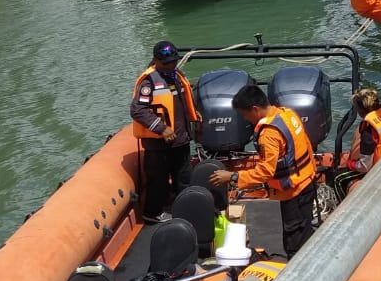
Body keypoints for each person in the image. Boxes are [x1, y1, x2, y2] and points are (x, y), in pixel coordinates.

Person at [208, 85, 318, 256]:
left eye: (245, 115)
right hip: (307, 180)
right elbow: (305, 144)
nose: (246, 119)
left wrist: (233, 176)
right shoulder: (287, 114)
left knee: (294, 241)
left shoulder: (269, 135)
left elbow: (265, 172)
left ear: (255, 109)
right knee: (305, 231)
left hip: (294, 191)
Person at [131, 41, 201, 224]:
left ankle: (184, 209)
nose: (171, 65)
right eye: (166, 63)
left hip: (181, 139)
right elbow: (138, 109)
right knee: (158, 182)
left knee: (184, 178)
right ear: (156, 60)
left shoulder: (176, 75)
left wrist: (195, 121)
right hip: (159, 143)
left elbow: (182, 104)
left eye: (173, 61)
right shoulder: (148, 81)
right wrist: (162, 128)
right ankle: (152, 213)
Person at [330, 88, 381, 200]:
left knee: (337, 178)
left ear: (361, 110)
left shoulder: (368, 130)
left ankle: (341, 208)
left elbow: (364, 167)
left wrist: (349, 164)